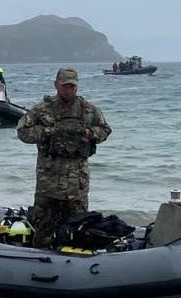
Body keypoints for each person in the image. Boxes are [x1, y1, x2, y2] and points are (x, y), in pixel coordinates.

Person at [15, 68, 111, 249]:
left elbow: (105, 130)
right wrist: (48, 132)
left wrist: (90, 133)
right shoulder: (42, 110)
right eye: (65, 86)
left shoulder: (88, 110)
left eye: (72, 87)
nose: (69, 90)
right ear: (56, 85)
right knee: (43, 228)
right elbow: (22, 132)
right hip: (49, 181)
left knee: (79, 227)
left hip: (77, 182)